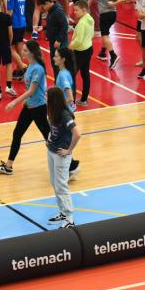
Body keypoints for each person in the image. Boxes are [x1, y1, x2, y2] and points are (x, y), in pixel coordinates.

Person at [0, 40, 47, 175]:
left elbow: (32, 90)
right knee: (17, 133)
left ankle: (69, 164)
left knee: (49, 137)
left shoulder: (38, 69)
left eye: (25, 50)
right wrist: (26, 101)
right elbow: (29, 88)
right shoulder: (30, 66)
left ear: (32, 53)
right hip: (29, 106)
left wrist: (14, 102)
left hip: (38, 108)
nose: (22, 52)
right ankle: (9, 165)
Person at [43, 87, 79, 229]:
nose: (45, 97)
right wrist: (49, 138)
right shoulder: (52, 111)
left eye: (47, 95)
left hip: (61, 154)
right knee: (54, 183)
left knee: (61, 186)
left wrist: (69, 150)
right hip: (51, 150)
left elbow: (77, 134)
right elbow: (53, 128)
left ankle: (69, 218)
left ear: (53, 99)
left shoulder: (64, 114)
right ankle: (63, 212)